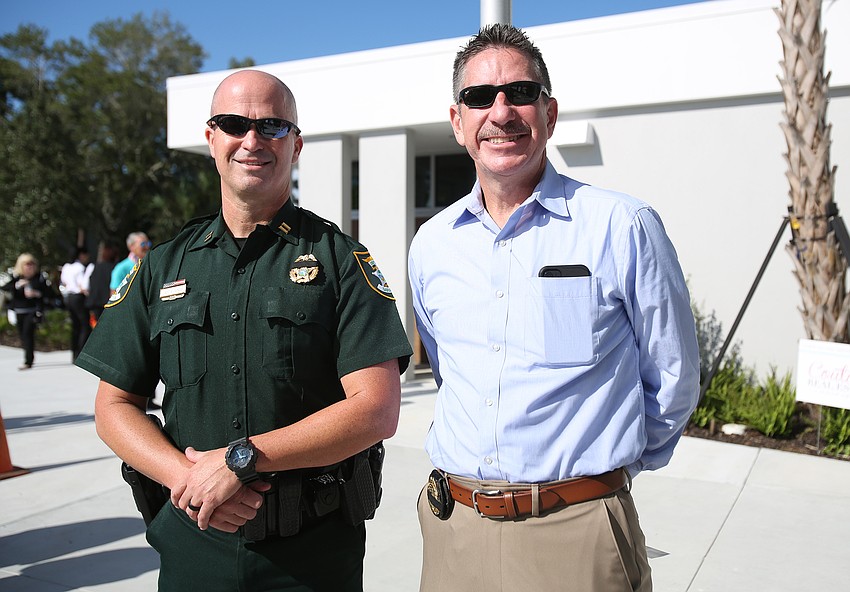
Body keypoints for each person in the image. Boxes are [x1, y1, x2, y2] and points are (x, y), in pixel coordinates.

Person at [75, 69, 412, 591]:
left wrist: (242, 460)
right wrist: (189, 480)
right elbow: (113, 406)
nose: (252, 140)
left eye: (272, 126)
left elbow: (376, 409)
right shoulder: (163, 267)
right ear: (211, 139)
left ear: (295, 146)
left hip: (312, 555)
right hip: (194, 544)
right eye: (234, 124)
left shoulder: (339, 260)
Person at [407, 24, 700, 592]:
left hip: (577, 533)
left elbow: (673, 376)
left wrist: (607, 480)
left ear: (549, 112)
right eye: (479, 97)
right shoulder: (432, 244)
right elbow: (452, 371)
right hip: (454, 532)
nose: (501, 111)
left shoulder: (622, 226)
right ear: (457, 121)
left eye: (520, 92)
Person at [1, 253, 54, 370]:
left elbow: (49, 293)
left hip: (32, 311)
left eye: (32, 264)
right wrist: (17, 285)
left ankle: (28, 360)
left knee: (27, 334)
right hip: (19, 311)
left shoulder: (39, 278)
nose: (29, 267)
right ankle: (28, 357)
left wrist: (37, 293)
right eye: (27, 264)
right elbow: (5, 288)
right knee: (22, 335)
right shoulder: (16, 278)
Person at [60, 246, 93, 361]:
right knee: (84, 325)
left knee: (75, 326)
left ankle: (74, 353)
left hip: (69, 297)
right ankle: (81, 352)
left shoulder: (66, 267)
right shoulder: (80, 268)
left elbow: (64, 281)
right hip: (78, 297)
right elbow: (83, 284)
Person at [83, 242, 118, 323]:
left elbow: (89, 284)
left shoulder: (96, 267)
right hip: (109, 303)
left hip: (96, 303)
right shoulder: (116, 268)